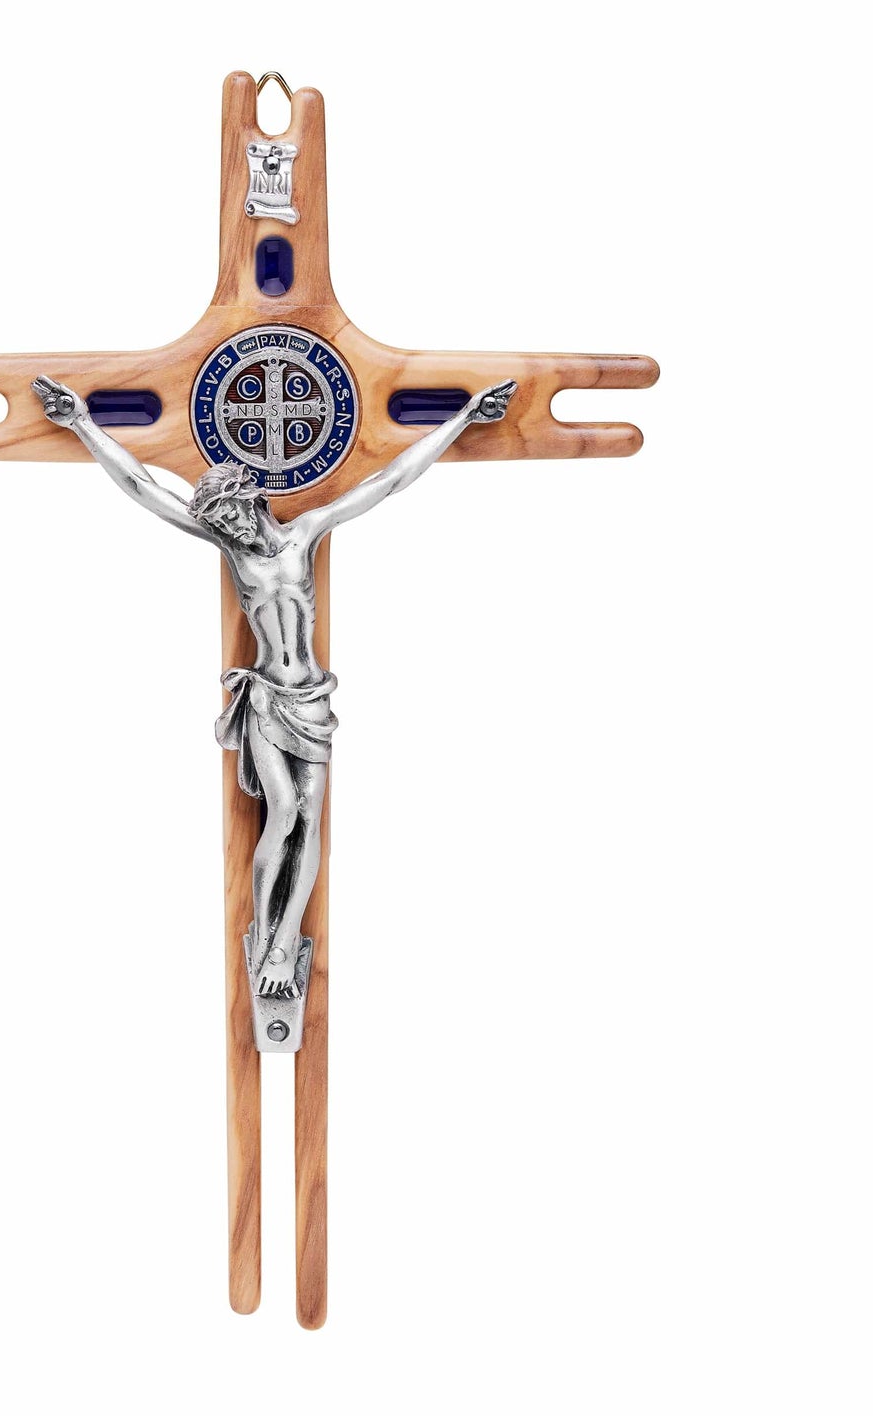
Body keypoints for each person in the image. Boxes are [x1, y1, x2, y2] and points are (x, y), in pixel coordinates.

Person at [33, 373, 516, 995]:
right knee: (282, 810)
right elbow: (143, 487)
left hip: (313, 699)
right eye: (217, 521)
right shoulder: (233, 552)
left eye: (230, 514)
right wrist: (81, 422)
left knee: (310, 820)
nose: (227, 528)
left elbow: (389, 479)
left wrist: (465, 419)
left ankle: (285, 945)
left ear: (251, 500)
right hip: (266, 698)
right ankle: (264, 939)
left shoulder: (304, 535)